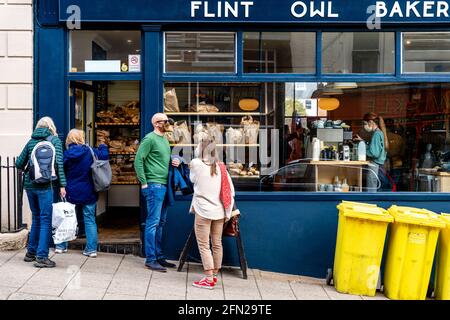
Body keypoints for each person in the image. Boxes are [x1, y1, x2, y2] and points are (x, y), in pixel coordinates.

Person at [15, 117, 66, 268]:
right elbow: (59, 165)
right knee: (45, 219)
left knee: (36, 218)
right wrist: (62, 185)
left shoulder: (31, 141)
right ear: (51, 127)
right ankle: (42, 256)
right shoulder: (54, 141)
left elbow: (18, 163)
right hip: (46, 186)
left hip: (30, 186)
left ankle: (30, 253)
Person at [134, 113, 180, 272]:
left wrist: (174, 160)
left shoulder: (164, 139)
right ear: (156, 123)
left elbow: (162, 159)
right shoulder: (149, 139)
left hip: (164, 185)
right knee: (153, 223)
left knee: (160, 223)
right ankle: (151, 259)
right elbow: (138, 160)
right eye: (165, 121)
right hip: (154, 186)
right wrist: (144, 183)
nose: (168, 123)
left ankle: (159, 257)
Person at [189, 137, 235, 290]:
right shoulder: (221, 166)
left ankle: (208, 279)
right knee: (217, 243)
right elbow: (231, 190)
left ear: (200, 148)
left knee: (203, 245)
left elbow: (192, 179)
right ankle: (214, 275)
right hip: (219, 211)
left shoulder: (196, 163)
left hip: (203, 210)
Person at [55, 129, 109, 257]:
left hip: (71, 191)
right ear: (81, 138)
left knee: (66, 218)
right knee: (89, 219)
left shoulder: (67, 154)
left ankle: (61, 246)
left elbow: (61, 170)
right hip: (88, 191)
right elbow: (104, 156)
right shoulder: (90, 152)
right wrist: (102, 144)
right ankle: (91, 250)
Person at [355, 112, 388, 192]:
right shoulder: (379, 133)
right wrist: (363, 141)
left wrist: (363, 148)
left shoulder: (376, 134)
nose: (364, 126)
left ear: (371, 122)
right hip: (378, 165)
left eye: (365, 123)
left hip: (375, 165)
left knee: (371, 191)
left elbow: (374, 153)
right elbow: (375, 148)